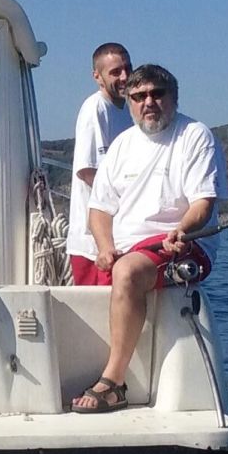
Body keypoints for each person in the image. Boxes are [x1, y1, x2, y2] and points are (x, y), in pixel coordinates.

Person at [72, 64, 223, 413]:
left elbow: (203, 203)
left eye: (157, 94)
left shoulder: (195, 136)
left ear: (174, 97)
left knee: (126, 272)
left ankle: (114, 383)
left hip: (183, 243)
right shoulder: (122, 145)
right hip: (127, 248)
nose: (148, 102)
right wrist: (105, 247)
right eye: (139, 97)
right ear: (130, 102)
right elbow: (99, 210)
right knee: (100, 277)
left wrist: (182, 230)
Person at [67, 43, 133, 285]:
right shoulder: (95, 109)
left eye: (128, 69)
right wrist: (131, 203)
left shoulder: (128, 112)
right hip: (93, 246)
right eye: (115, 72)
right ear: (97, 76)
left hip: (120, 238)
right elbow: (88, 171)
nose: (124, 77)